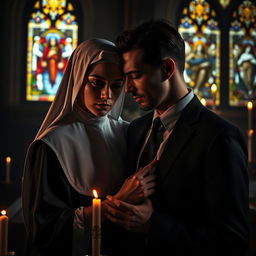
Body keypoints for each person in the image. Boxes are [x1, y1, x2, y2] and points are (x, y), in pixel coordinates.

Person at [105, 20, 250, 256]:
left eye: (136, 75)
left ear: (167, 69)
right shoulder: (136, 130)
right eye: (126, 78)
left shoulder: (220, 137)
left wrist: (153, 225)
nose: (127, 88)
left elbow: (232, 242)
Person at [22, 38, 156, 256]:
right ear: (77, 79)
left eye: (116, 86)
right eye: (96, 83)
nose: (106, 95)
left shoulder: (129, 133)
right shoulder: (50, 145)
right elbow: (45, 232)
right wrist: (117, 202)